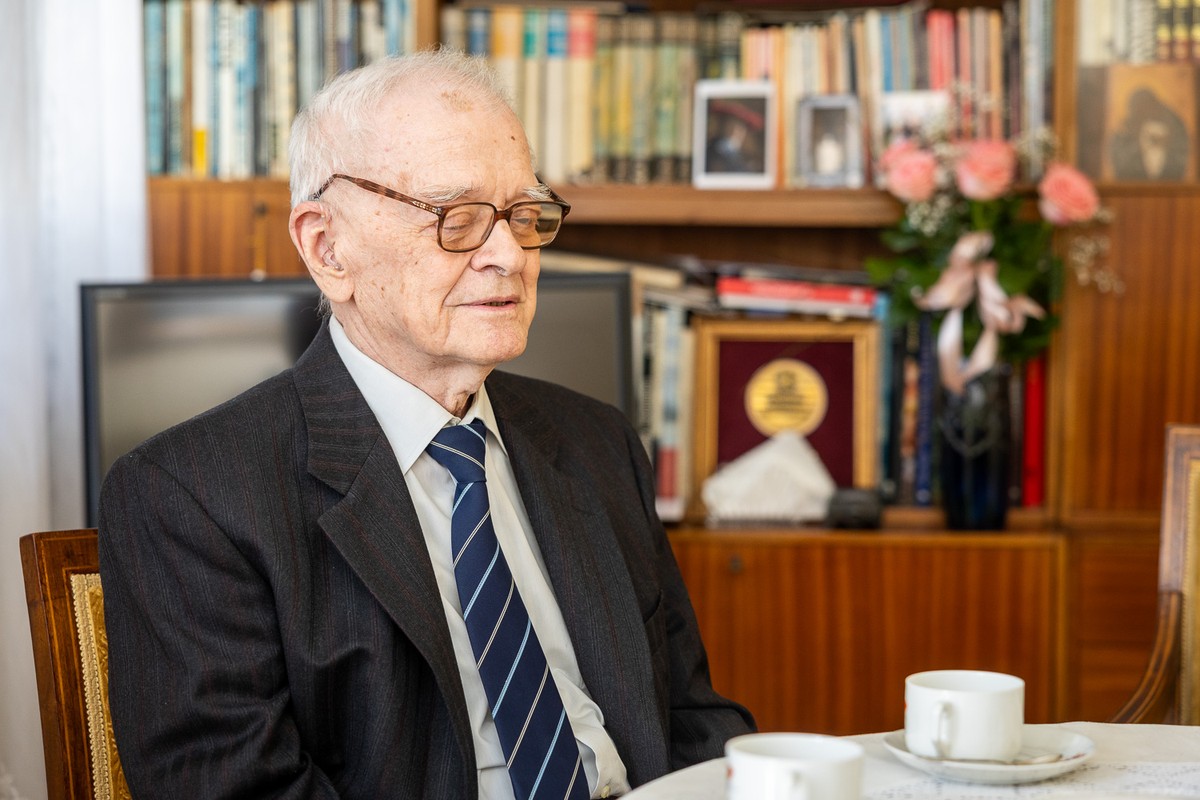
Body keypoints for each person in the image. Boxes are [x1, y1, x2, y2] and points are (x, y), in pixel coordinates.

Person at [98, 49, 754, 800]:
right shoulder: (191, 496)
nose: (509, 255)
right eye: (457, 218)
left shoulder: (597, 442)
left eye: (523, 215)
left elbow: (690, 719)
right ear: (327, 248)